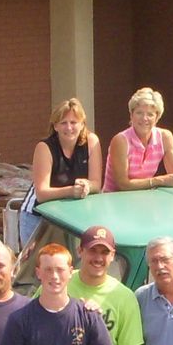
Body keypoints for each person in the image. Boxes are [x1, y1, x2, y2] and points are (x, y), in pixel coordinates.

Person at [25, 97, 104, 240]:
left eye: (73, 123)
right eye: (63, 123)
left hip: (72, 216)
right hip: (38, 216)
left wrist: (87, 185)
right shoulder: (44, 147)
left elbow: (96, 184)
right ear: (55, 126)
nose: (69, 128)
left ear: (82, 124)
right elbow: (42, 193)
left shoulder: (92, 141)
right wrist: (71, 191)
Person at [104, 87, 173, 192]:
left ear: (157, 118)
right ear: (131, 115)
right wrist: (158, 181)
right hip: (115, 201)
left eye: (150, 114)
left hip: (145, 200)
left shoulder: (165, 137)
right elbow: (123, 185)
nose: (144, 118)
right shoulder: (120, 140)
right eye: (139, 113)